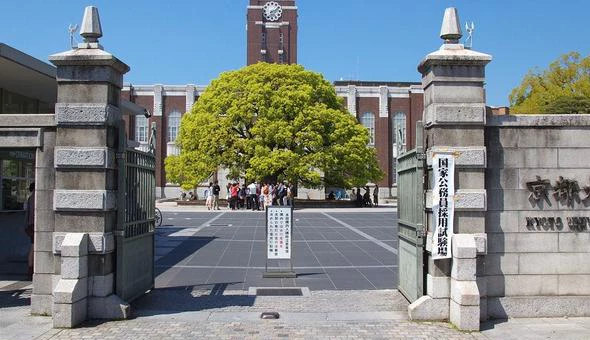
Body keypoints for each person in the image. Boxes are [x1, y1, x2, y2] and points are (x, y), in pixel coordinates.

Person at [24, 182, 35, 278]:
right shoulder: (34, 198)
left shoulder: (30, 198)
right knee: (33, 247)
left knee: (33, 247)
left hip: (31, 226)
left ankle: (31, 267)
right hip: (34, 226)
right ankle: (31, 268)